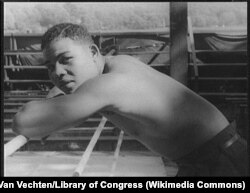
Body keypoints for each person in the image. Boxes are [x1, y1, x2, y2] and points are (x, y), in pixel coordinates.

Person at [12, 23, 248, 176]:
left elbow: (24, 122)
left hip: (221, 165)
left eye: (66, 59)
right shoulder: (118, 63)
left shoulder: (109, 84)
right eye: (49, 66)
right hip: (213, 158)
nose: (58, 72)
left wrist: (51, 103)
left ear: (93, 52)